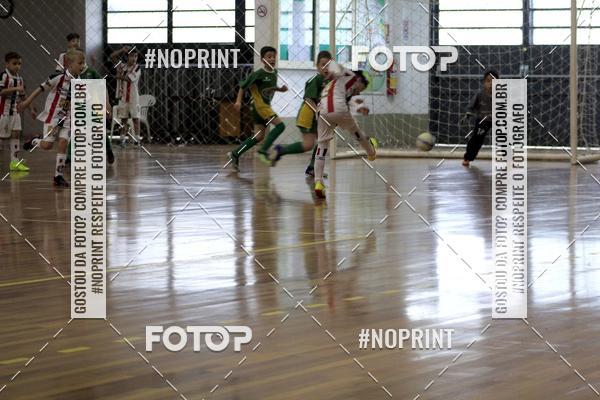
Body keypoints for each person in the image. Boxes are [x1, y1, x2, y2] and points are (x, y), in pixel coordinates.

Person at [20, 49, 86, 187]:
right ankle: (34, 141)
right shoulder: (57, 77)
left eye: (83, 63)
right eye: (80, 63)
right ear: (70, 64)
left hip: (68, 119)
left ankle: (58, 176)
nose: (83, 66)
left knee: (63, 144)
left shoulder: (80, 82)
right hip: (53, 118)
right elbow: (40, 89)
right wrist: (26, 103)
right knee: (47, 145)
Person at [313, 64, 377, 199]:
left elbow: (348, 100)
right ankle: (371, 152)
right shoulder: (350, 75)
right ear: (359, 80)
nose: (358, 92)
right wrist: (331, 70)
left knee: (322, 146)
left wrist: (360, 107)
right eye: (360, 89)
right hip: (337, 109)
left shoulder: (336, 85)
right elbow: (334, 65)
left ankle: (318, 182)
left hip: (321, 111)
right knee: (356, 132)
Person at [271, 50, 332, 178]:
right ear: (317, 66)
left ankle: (312, 168)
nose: (326, 68)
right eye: (323, 65)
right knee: (308, 145)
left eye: (329, 65)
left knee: (323, 140)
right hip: (308, 116)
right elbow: (308, 99)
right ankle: (281, 150)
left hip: (318, 118)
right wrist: (318, 111)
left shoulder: (329, 81)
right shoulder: (315, 80)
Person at [228, 46, 288, 171]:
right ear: (262, 60)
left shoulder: (274, 73)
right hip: (259, 106)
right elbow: (243, 86)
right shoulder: (258, 74)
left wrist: (280, 89)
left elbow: (268, 89)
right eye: (269, 57)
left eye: (274, 56)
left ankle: (235, 153)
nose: (272, 59)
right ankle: (263, 150)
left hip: (264, 107)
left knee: (258, 136)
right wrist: (238, 101)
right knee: (281, 126)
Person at [65, 58, 114, 165]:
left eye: (82, 62)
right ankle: (69, 157)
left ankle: (109, 151)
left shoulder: (91, 72)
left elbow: (103, 87)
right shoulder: (71, 75)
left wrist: (107, 103)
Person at [0, 52, 36, 172]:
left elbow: (23, 96)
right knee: (2, 138)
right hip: (3, 112)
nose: (17, 66)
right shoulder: (4, 76)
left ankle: (14, 163)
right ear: (7, 64)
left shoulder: (19, 79)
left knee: (16, 135)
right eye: (14, 63)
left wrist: (31, 109)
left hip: (14, 112)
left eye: (19, 64)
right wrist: (16, 88)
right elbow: (1, 91)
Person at [462, 68, 498, 167]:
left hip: (498, 120)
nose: (491, 84)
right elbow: (471, 106)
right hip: (483, 120)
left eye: (494, 81)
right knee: (476, 139)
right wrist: (468, 114)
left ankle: (508, 159)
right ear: (484, 82)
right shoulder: (479, 94)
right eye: (488, 81)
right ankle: (467, 158)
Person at [111, 46, 141, 145]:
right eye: (132, 56)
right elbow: (112, 57)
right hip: (123, 96)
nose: (134, 58)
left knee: (135, 118)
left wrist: (118, 76)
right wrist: (122, 50)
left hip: (133, 97)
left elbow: (129, 79)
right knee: (123, 119)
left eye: (136, 56)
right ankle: (122, 139)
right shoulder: (122, 66)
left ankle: (137, 139)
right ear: (127, 57)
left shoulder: (137, 67)